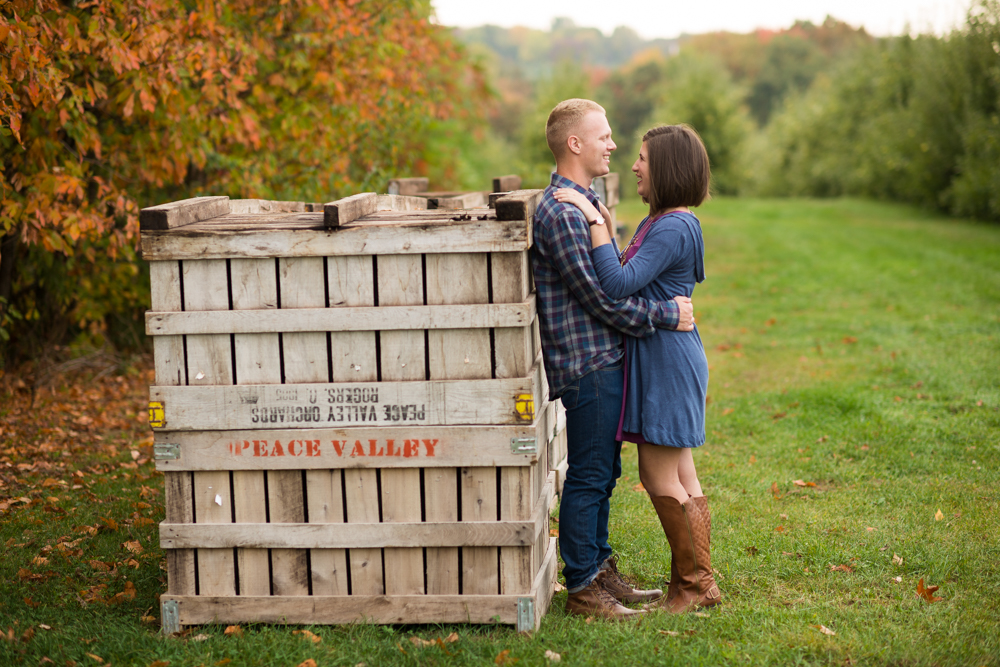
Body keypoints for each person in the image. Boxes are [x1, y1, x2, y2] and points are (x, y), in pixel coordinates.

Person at [531, 99, 695, 619]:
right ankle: (581, 586)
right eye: (603, 135)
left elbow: (615, 278)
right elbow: (603, 300)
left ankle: (599, 569)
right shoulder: (561, 212)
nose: (615, 145)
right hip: (587, 363)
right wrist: (667, 316)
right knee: (589, 476)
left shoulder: (584, 203)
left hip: (605, 359)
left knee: (603, 475)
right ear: (574, 143)